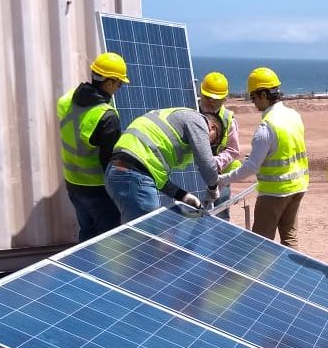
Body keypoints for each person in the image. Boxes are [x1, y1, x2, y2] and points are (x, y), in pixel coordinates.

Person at [215, 67, 308, 248]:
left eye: (254, 97)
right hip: (298, 187)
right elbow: (285, 148)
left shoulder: (266, 128)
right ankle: (286, 277)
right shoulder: (293, 115)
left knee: (260, 245)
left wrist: (222, 180)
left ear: (265, 95)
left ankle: (261, 277)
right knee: (290, 240)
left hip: (275, 192)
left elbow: (251, 167)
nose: (253, 102)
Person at [104, 107, 223, 222]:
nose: (210, 145)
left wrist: (183, 196)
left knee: (135, 236)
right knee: (147, 237)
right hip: (134, 176)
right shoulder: (198, 121)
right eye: (214, 141)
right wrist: (213, 187)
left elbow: (156, 176)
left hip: (116, 172)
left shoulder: (172, 118)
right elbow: (206, 163)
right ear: (212, 127)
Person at [56, 52, 128, 240]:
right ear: (109, 82)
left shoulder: (66, 100)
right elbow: (110, 163)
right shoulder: (107, 117)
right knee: (109, 241)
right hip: (98, 189)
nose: (119, 88)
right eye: (119, 83)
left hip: (72, 183)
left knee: (87, 235)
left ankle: (83, 268)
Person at [198, 72, 241, 218]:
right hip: (193, 175)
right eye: (207, 97)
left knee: (220, 219)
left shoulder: (228, 119)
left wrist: (216, 162)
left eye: (215, 99)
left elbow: (233, 150)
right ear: (200, 92)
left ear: (224, 99)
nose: (210, 102)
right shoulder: (190, 112)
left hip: (219, 179)